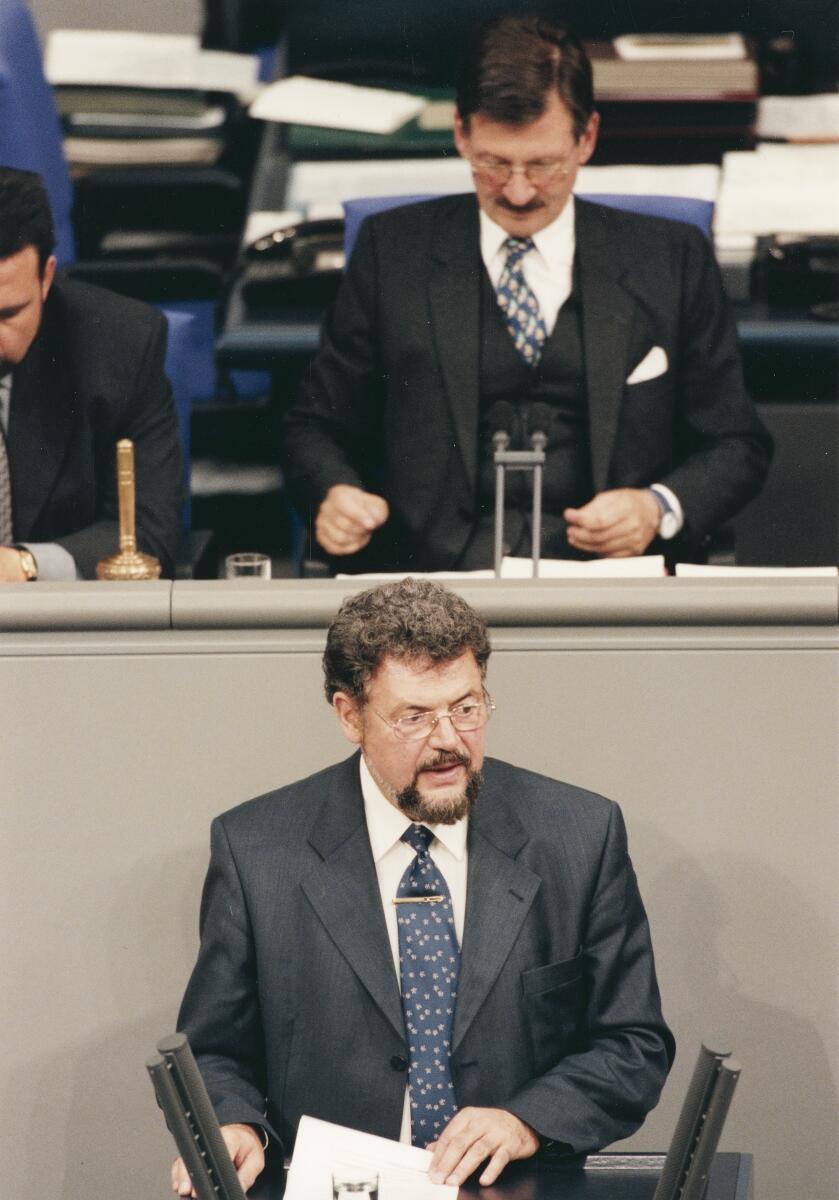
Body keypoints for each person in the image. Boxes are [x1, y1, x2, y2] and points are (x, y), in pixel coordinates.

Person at [173, 577, 674, 1195]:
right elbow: (214, 1052)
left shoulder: (578, 835)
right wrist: (234, 1123)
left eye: (466, 708)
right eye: (414, 716)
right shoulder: (257, 850)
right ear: (349, 715)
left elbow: (633, 1042)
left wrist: (527, 1121)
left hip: (512, 1187)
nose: (448, 742)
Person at [281, 16, 772, 572]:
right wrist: (335, 492)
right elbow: (315, 426)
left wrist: (656, 508)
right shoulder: (390, 253)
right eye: (494, 163)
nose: (518, 192)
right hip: (429, 587)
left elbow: (737, 442)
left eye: (543, 165)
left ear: (586, 138)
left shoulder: (670, 258)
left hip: (609, 589)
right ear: (462, 134)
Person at [0, 167, 183, 581]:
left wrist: (24, 564)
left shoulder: (119, 344)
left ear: (46, 278)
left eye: (7, 314)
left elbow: (147, 533)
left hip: (59, 625)